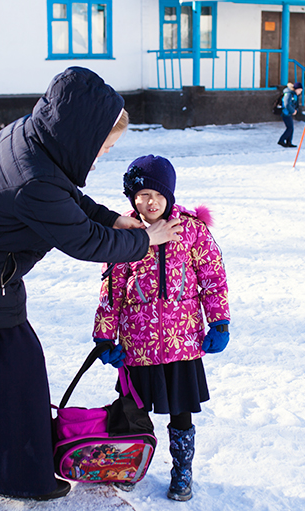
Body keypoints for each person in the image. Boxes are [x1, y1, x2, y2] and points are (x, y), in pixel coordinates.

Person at [0, 67, 182, 501]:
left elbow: (69, 198)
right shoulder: (34, 180)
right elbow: (82, 239)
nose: (101, 157)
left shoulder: (31, 137)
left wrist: (113, 218)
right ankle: (19, 473)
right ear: (80, 132)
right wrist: (142, 238)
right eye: (104, 147)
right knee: (15, 373)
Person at [92, 155, 230, 502]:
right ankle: (130, 465)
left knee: (181, 412)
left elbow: (212, 278)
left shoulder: (192, 229)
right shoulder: (125, 232)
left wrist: (219, 320)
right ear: (132, 198)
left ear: (169, 195)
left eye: (157, 194)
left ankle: (182, 471)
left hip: (182, 340)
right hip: (137, 344)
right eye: (142, 195)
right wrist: (105, 334)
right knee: (132, 411)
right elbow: (112, 289)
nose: (150, 202)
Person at [277, 81, 303, 148]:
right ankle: (281, 140)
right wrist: (292, 111)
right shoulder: (289, 93)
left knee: (291, 127)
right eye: (299, 90)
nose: (300, 92)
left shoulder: (294, 94)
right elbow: (286, 104)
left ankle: (289, 142)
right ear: (296, 89)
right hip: (285, 112)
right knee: (290, 128)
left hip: (288, 113)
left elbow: (295, 103)